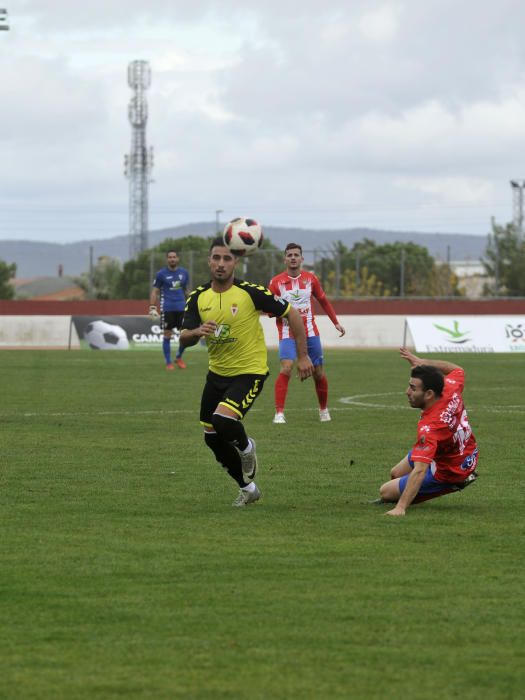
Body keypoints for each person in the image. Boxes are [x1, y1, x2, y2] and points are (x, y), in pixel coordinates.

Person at [179, 238, 314, 507]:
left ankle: (247, 447)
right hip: (216, 374)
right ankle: (247, 488)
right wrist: (196, 332)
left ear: (236, 262)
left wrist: (303, 355)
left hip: (249, 371)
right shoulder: (198, 297)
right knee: (211, 438)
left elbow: (293, 315)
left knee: (223, 420)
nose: (220, 264)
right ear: (208, 261)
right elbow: (184, 337)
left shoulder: (250, 292)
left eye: (227, 259)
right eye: (216, 258)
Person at [378, 347, 479, 517]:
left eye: (413, 388)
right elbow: (457, 370)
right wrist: (422, 362)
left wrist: (400, 508)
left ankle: (455, 483)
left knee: (385, 492)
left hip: (451, 468)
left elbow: (420, 470)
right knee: (395, 473)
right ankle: (403, 494)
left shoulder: (431, 427)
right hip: (460, 450)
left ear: (429, 394)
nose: (407, 392)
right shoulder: (449, 386)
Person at [268, 242, 346, 424]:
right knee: (286, 367)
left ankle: (323, 410)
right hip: (287, 332)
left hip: (311, 332)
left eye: (296, 255)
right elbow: (269, 308)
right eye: (290, 255)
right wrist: (274, 311)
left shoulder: (311, 279)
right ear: (285, 259)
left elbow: (324, 301)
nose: (293, 258)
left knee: (318, 372)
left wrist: (336, 322)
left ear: (302, 258)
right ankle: (279, 413)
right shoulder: (275, 282)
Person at [149, 249, 189, 370]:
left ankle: (178, 357)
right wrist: (152, 307)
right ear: (167, 259)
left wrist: (193, 302)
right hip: (167, 308)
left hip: (182, 308)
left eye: (174, 257)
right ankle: (168, 363)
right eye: (170, 257)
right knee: (167, 335)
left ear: (178, 259)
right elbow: (155, 291)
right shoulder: (161, 274)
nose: (172, 259)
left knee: (186, 336)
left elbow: (186, 290)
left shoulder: (184, 273)